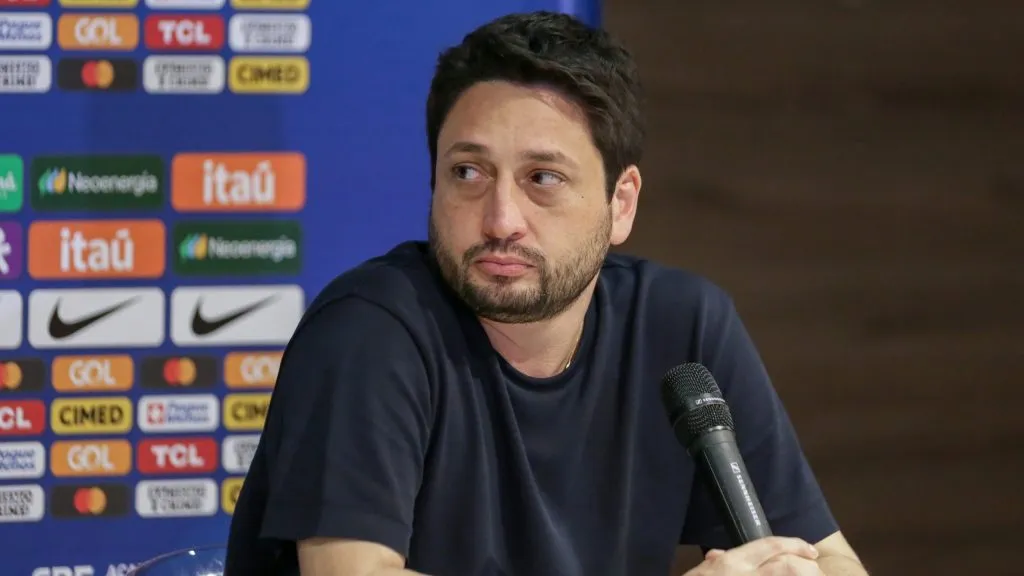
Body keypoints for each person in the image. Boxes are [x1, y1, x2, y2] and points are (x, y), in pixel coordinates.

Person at [225, 11, 867, 576]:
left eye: (543, 178)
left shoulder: (679, 327)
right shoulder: (372, 329)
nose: (500, 218)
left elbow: (830, 556)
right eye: (468, 173)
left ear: (621, 204)